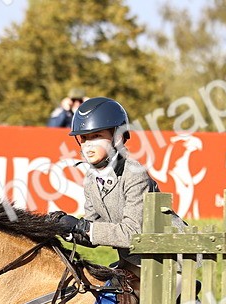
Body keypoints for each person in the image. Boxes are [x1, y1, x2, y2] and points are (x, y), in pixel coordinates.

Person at [46, 96, 170, 266]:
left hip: (168, 263)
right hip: (133, 263)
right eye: (83, 138)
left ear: (117, 137)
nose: (87, 145)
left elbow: (133, 234)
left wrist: (84, 227)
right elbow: (93, 234)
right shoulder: (91, 178)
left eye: (96, 136)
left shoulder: (134, 174)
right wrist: (65, 229)